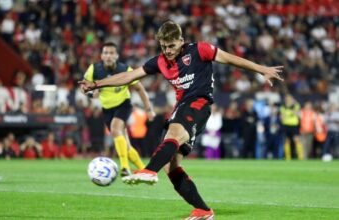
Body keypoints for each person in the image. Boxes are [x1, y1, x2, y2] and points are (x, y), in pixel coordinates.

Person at [79, 21, 283, 219]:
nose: (167, 50)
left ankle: (149, 170)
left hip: (199, 103)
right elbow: (128, 77)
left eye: (171, 45)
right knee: (171, 166)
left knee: (173, 134)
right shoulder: (159, 61)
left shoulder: (199, 50)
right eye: (163, 46)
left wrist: (262, 69)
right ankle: (203, 211)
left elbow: (231, 59)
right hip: (182, 107)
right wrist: (97, 84)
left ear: (181, 40)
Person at [83, 42, 155, 176]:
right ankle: (146, 170)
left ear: (116, 56)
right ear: (101, 56)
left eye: (111, 53)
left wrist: (148, 109)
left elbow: (140, 88)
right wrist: (91, 93)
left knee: (116, 129)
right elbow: (84, 87)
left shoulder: (125, 69)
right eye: (106, 53)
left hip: (123, 105)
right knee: (125, 146)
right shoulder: (93, 69)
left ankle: (124, 167)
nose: (108, 56)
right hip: (107, 109)